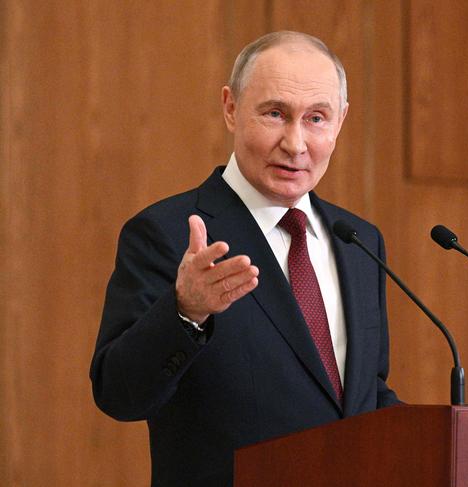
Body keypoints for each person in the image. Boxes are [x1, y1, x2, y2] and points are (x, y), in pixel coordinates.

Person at [90, 31, 399, 487]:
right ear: (231, 108)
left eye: (316, 118)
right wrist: (185, 312)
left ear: (341, 122)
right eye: (275, 114)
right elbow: (119, 395)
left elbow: (361, 396)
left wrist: (456, 435)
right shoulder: (167, 233)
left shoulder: (359, 241)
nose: (295, 144)